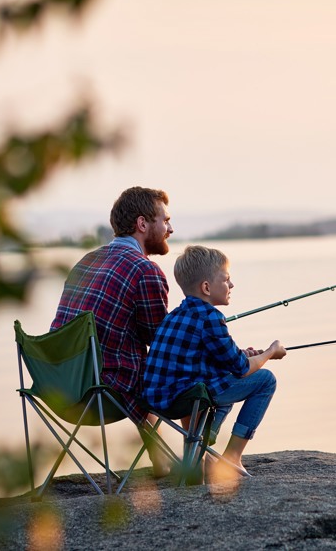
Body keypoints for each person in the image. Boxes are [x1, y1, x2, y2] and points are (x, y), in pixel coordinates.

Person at [51, 186, 174, 476]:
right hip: (100, 394)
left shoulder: (86, 261)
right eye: (165, 220)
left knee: (133, 364)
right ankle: (189, 462)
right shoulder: (145, 270)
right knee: (170, 367)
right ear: (143, 224)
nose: (171, 228)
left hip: (58, 387)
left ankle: (162, 461)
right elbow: (159, 344)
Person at [143, 245, 286, 478]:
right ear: (207, 287)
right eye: (227, 279)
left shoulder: (174, 315)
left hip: (157, 400)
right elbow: (240, 368)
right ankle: (231, 456)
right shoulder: (210, 317)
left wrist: (243, 353)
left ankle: (202, 452)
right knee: (265, 380)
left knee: (221, 378)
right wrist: (270, 352)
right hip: (188, 398)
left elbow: (206, 355)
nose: (231, 285)